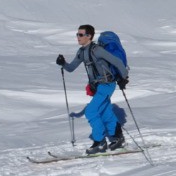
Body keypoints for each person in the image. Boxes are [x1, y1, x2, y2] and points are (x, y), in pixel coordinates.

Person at [56, 25, 130, 153]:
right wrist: (63, 63)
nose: (77, 37)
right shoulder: (81, 52)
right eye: (77, 34)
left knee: (91, 111)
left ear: (89, 36)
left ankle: (100, 141)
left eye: (80, 35)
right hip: (98, 86)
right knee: (105, 111)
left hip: (107, 84)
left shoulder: (97, 50)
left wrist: (123, 78)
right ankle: (117, 137)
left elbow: (117, 62)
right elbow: (71, 68)